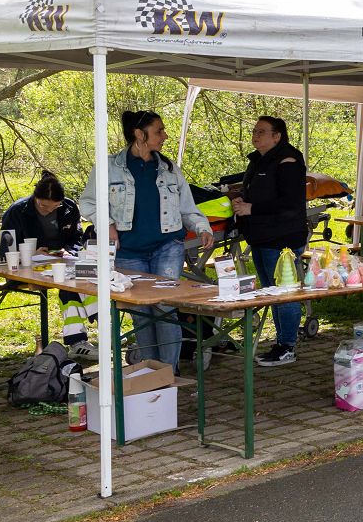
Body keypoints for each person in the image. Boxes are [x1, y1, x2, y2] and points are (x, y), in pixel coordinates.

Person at [79, 110, 213, 372]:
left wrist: (202, 228)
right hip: (129, 251)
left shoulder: (169, 168)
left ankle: (168, 372)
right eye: (159, 131)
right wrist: (107, 224)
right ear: (139, 134)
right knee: (141, 313)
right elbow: (88, 203)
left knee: (164, 309)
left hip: (167, 248)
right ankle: (150, 372)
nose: (165, 136)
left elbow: (188, 208)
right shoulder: (107, 167)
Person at [231, 116, 309, 367]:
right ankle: (281, 342)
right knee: (271, 292)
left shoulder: (289, 161)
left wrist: (251, 208)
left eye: (261, 132)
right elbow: (259, 192)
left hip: (282, 239)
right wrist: (240, 199)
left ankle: (287, 346)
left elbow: (290, 203)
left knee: (284, 293)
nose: (255, 136)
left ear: (277, 136)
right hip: (261, 237)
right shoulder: (258, 159)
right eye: (254, 131)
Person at [1, 172, 95, 359]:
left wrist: (68, 251)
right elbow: (5, 249)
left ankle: (83, 338)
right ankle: (84, 337)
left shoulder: (69, 207)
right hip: (26, 269)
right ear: (35, 197)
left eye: (55, 207)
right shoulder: (17, 211)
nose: (48, 211)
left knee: (84, 279)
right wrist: (31, 253)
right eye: (43, 206)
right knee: (71, 284)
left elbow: (76, 239)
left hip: (62, 264)